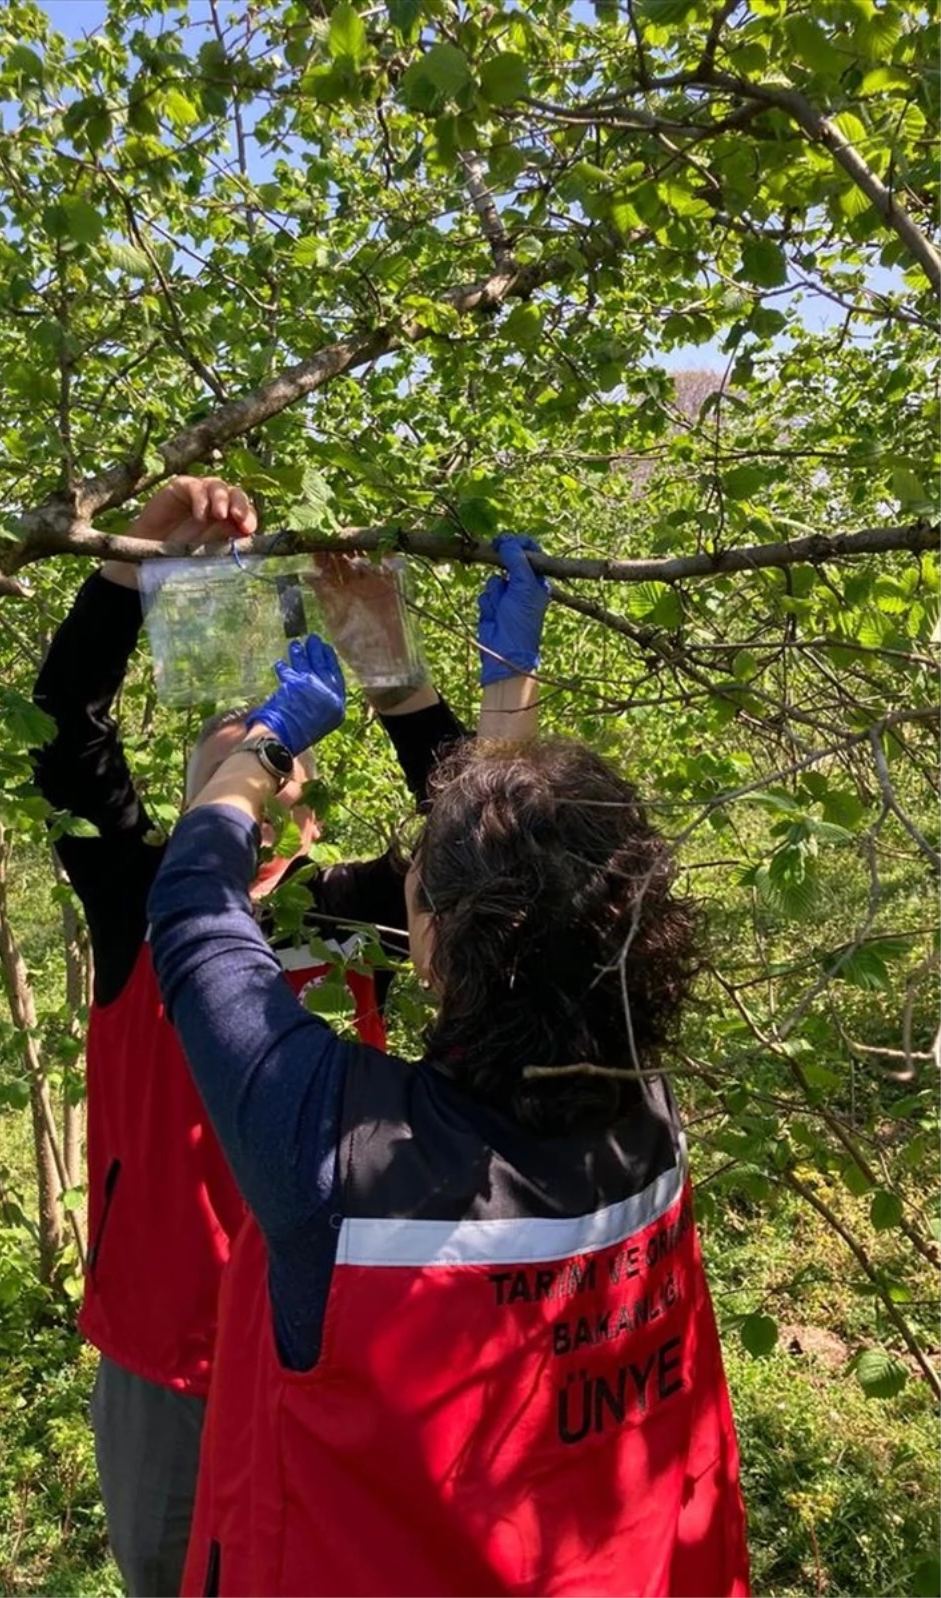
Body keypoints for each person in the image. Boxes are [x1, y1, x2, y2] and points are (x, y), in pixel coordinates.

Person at [147, 536, 751, 1598]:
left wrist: (263, 750)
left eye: (421, 878)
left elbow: (195, 905)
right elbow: (529, 882)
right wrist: (424, 687)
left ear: (437, 944)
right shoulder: (638, 1105)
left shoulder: (335, 1158)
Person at [30, 476, 465, 1597]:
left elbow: (490, 868)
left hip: (336, 1339)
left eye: (272, 741)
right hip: (170, 1358)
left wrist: (395, 679)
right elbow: (64, 741)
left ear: (300, 794)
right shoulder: (143, 898)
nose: (246, 743)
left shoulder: (333, 911)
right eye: (232, 740)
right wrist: (132, 560)